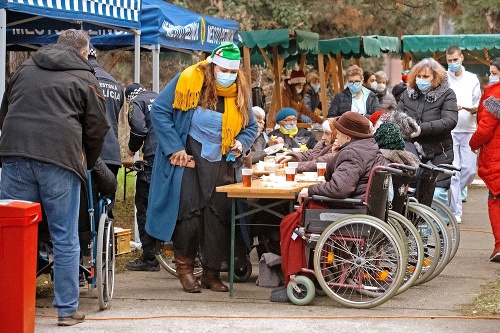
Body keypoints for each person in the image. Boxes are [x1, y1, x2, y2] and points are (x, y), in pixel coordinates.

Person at [0, 29, 108, 326]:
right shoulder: (85, 75)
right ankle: (65, 310)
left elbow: (5, 110)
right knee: (64, 236)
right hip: (59, 158)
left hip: (15, 154)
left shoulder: (25, 68)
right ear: (85, 52)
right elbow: (98, 127)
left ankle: (8, 304)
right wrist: (87, 157)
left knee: (11, 233)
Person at [145, 42, 258, 293]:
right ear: (212, 65)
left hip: (222, 163)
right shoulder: (188, 80)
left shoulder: (239, 90)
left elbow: (251, 127)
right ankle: (185, 269)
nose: (227, 76)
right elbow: (160, 111)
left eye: (232, 72)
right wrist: (175, 148)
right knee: (190, 216)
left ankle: (211, 272)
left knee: (218, 217)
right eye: (223, 70)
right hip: (189, 159)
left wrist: (240, 143)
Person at [271, 111, 386, 302]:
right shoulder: (370, 147)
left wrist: (311, 190)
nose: (336, 135)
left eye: (339, 132)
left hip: (347, 211)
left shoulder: (352, 153)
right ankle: (316, 275)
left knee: (290, 223)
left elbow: (340, 188)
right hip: (361, 208)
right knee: (299, 214)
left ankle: (295, 280)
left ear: (348, 136)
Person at [397, 57, 458, 206]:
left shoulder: (447, 94)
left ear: (435, 77)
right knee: (411, 193)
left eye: (425, 77)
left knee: (437, 193)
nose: (421, 79)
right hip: (412, 151)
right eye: (419, 76)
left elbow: (450, 120)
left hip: (439, 151)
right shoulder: (407, 94)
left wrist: (421, 129)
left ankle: (438, 227)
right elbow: (398, 116)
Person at [123, 83, 160, 271]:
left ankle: (149, 256)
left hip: (152, 160)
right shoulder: (161, 97)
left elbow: (138, 128)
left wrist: (132, 148)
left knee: (144, 205)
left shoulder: (136, 102)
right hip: (173, 156)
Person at [87, 44, 124, 218]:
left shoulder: (85, 79)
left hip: (92, 153)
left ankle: (92, 243)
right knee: (107, 206)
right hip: (113, 153)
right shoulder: (115, 83)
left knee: (89, 206)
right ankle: (108, 243)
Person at [446, 46, 481, 224]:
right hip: (450, 131)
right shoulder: (444, 79)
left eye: (455, 60)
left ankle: (450, 193)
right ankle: (455, 211)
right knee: (454, 171)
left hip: (468, 128)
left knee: (469, 170)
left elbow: (478, 103)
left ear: (461, 58)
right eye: (449, 61)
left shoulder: (472, 79)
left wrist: (470, 108)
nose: (452, 64)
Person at [469, 57, 500, 262]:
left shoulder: (494, 96)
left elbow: (485, 130)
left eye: (494, 72)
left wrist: (473, 144)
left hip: (496, 156)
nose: (491, 76)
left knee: (495, 199)